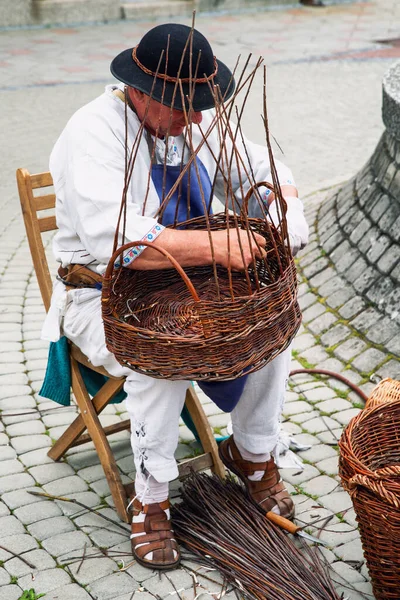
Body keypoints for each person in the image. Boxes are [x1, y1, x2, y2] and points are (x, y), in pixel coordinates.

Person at [42, 22, 309, 570]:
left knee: (268, 328)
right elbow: (119, 245)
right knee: (163, 356)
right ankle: (152, 496)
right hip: (104, 295)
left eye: (200, 106)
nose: (195, 120)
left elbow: (262, 167)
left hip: (191, 288)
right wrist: (219, 245)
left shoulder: (188, 117)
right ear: (141, 92)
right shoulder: (91, 132)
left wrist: (286, 204)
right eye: (184, 107)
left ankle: (253, 455)